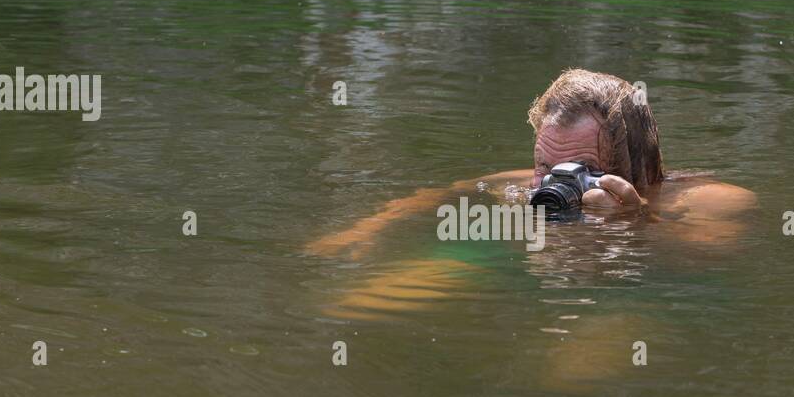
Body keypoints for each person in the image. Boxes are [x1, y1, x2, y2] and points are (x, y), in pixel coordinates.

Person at [307, 68, 757, 262]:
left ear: (628, 162)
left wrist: (638, 221)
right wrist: (366, 228)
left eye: (580, 167)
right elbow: (447, 191)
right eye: (545, 164)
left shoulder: (712, 200)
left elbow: (708, 256)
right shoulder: (532, 184)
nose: (553, 182)